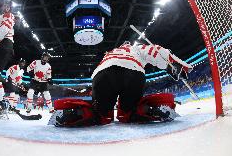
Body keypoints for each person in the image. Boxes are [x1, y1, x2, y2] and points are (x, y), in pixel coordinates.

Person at [52, 41, 192, 127]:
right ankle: (149, 109)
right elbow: (155, 50)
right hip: (134, 73)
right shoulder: (135, 48)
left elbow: (98, 76)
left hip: (104, 73)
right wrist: (174, 65)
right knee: (126, 115)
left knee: (102, 116)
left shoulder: (109, 53)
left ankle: (75, 112)